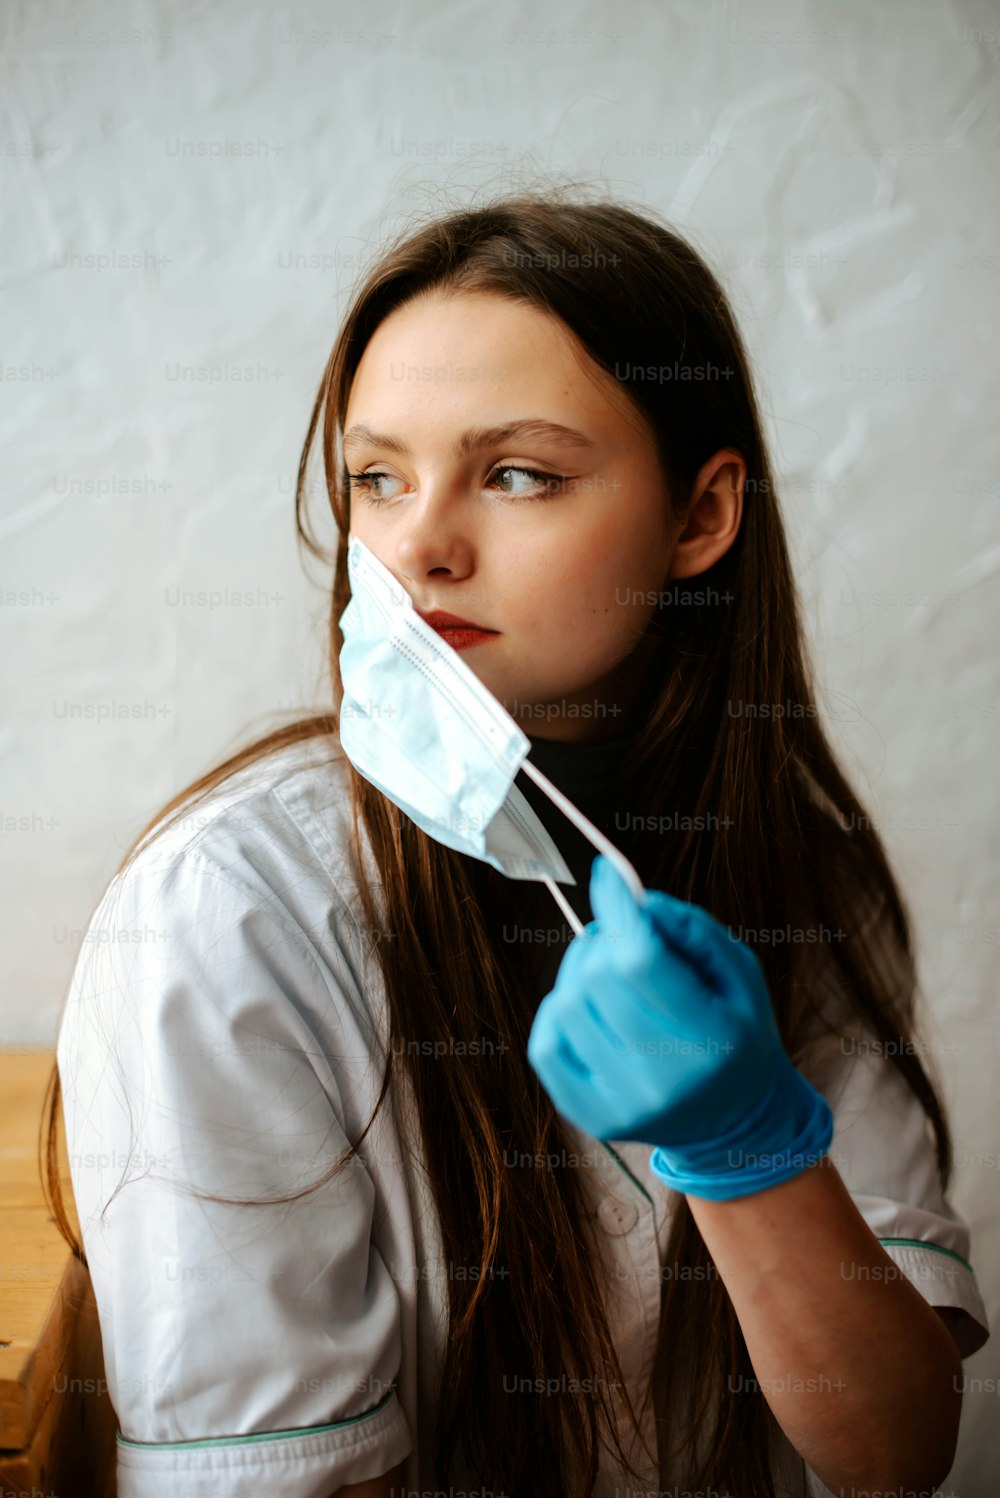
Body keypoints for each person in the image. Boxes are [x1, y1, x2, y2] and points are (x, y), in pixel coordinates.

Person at [48, 190, 990, 1498]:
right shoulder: (227, 912)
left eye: (517, 474)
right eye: (377, 477)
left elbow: (892, 1454)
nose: (422, 547)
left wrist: (749, 1147)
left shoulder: (794, 864)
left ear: (700, 518)